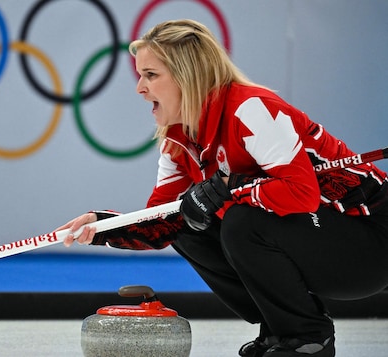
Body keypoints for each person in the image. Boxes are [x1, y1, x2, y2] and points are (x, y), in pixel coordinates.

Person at [57, 19, 388, 357]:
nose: (139, 88)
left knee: (243, 222)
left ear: (188, 75)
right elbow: (163, 223)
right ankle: (280, 329)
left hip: (371, 243)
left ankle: (308, 338)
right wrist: (102, 226)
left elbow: (300, 193)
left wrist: (231, 187)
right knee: (185, 220)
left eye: (151, 75)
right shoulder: (178, 141)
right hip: (323, 239)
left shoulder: (250, 109)